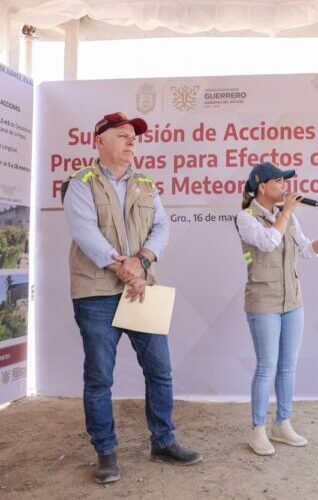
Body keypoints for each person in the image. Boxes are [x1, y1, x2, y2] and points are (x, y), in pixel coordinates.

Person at [62, 112, 201, 484]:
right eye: (122, 136)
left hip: (142, 288)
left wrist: (140, 263)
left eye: (134, 137)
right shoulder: (81, 183)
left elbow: (162, 228)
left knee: (160, 370)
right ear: (100, 141)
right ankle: (106, 452)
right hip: (96, 293)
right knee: (99, 378)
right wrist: (125, 268)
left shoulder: (146, 183)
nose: (131, 142)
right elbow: (86, 233)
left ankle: (164, 440)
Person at [236, 162, 318, 455]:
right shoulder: (245, 218)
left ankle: (282, 423)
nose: (285, 186)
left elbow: (306, 251)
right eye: (279, 181)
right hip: (263, 302)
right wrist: (285, 213)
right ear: (262, 186)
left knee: (287, 366)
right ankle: (257, 429)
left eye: (286, 182)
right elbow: (268, 243)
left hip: (292, 302)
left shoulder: (288, 218)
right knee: (266, 367)